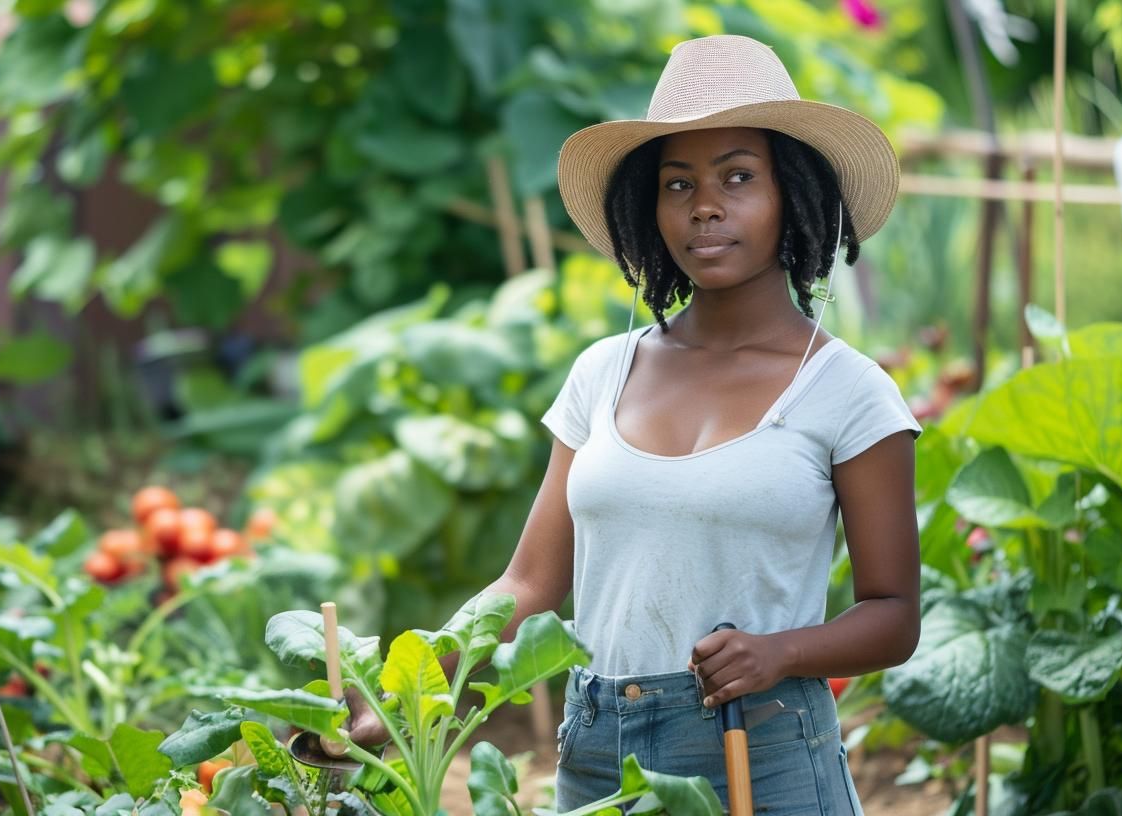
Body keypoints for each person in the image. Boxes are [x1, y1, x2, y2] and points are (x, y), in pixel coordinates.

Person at [351, 34, 922, 814]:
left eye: (738, 177)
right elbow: (528, 584)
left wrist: (780, 652)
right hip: (598, 750)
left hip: (763, 752)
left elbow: (893, 616)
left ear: (793, 190)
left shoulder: (848, 391)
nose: (705, 205)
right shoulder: (603, 372)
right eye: (678, 184)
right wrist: (395, 698)